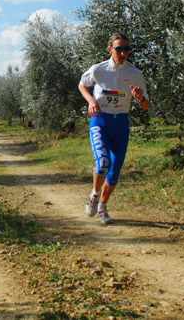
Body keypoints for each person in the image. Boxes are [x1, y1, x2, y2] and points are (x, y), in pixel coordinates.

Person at [78, 33, 149, 225]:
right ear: (110, 49)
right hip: (100, 121)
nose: (123, 53)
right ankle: (94, 195)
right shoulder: (98, 69)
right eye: (119, 49)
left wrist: (139, 98)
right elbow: (82, 85)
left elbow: (146, 106)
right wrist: (91, 101)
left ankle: (102, 206)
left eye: (127, 49)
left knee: (114, 171)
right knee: (102, 162)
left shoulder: (135, 74)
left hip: (121, 124)